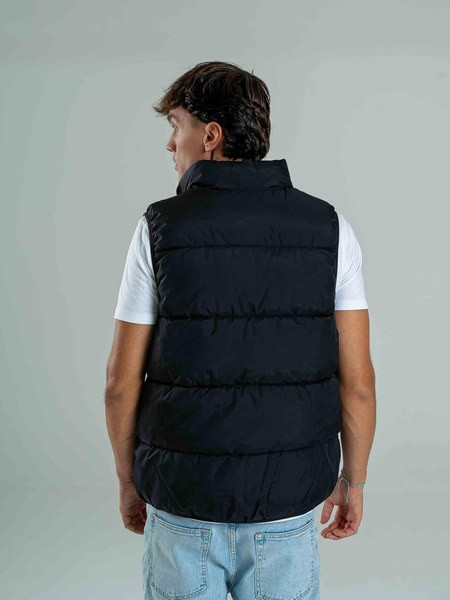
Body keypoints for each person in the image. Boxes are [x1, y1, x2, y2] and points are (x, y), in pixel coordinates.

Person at [105, 61, 376, 600]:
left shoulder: (159, 227)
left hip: (184, 500)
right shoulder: (329, 227)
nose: (170, 143)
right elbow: (359, 382)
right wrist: (355, 480)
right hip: (288, 503)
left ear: (210, 136)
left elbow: (120, 382)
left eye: (176, 125)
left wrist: (129, 480)